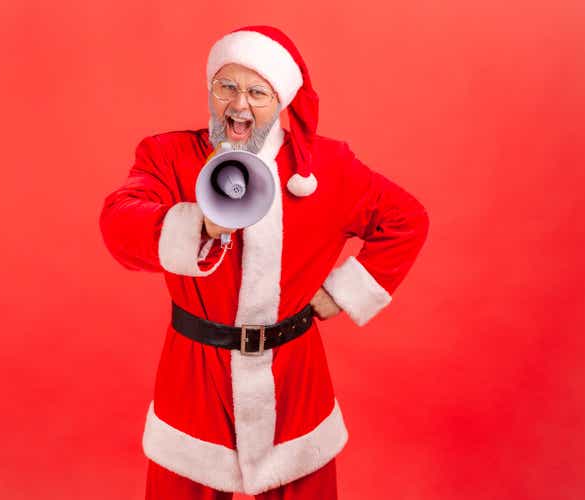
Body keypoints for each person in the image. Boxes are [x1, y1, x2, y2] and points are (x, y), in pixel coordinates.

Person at [99, 25, 430, 499]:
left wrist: (342, 292)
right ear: (210, 89)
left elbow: (407, 219)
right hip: (194, 370)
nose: (238, 106)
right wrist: (199, 225)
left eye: (258, 92)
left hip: (294, 372)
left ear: (282, 99)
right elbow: (118, 222)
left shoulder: (329, 167)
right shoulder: (167, 156)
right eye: (226, 86)